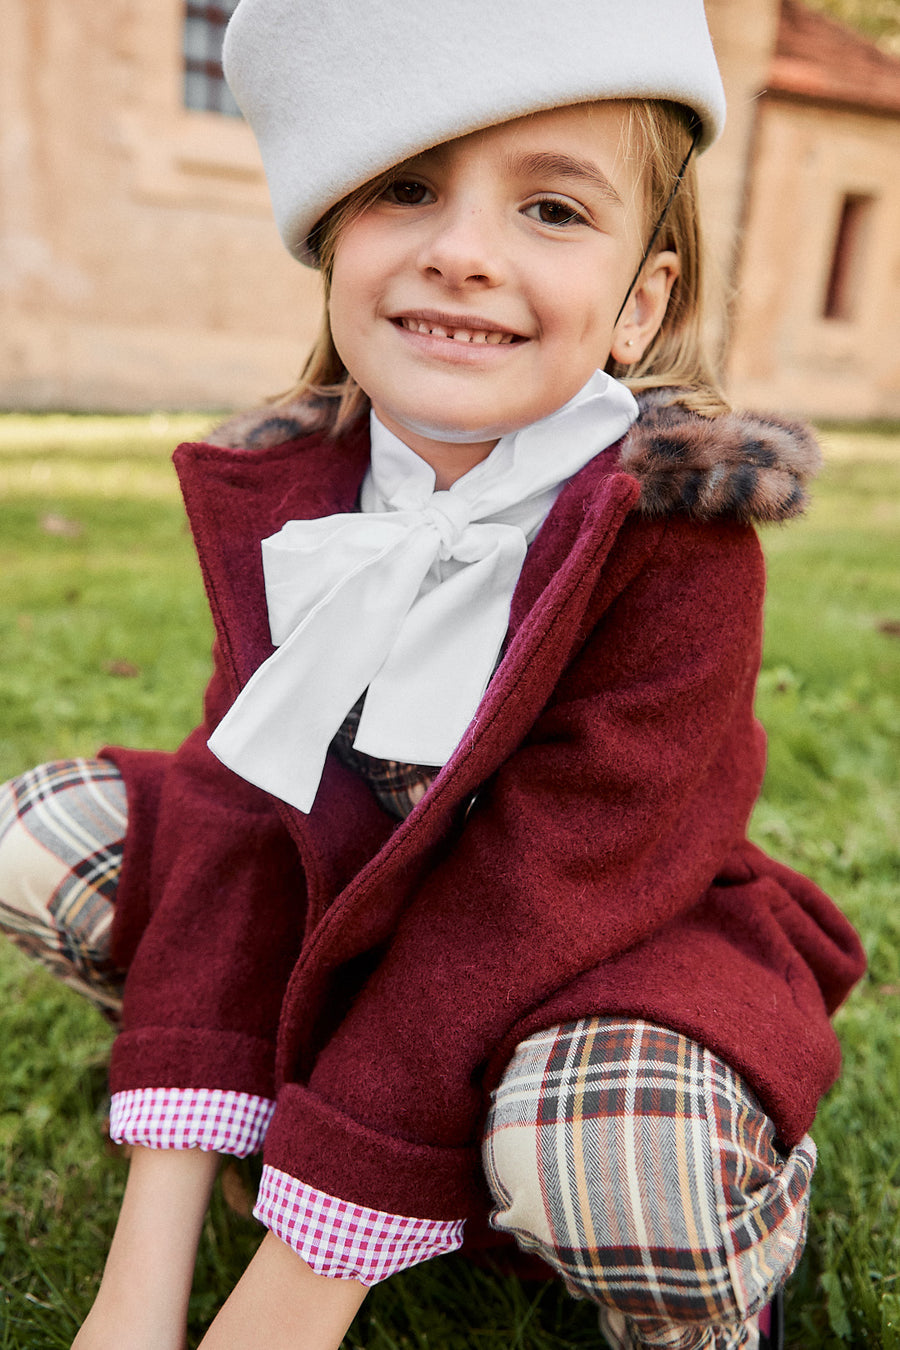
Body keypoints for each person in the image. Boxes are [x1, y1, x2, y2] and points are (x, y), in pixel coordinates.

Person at [0, 2, 867, 1348]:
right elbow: (246, 823)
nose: (463, 253)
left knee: (619, 1165)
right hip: (356, 907)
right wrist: (142, 1279)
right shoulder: (297, 491)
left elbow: (530, 896)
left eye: (554, 211)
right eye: (408, 186)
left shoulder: (676, 542)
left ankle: (695, 1230)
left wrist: (301, 1282)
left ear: (642, 305)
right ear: (334, 236)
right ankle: (267, 1101)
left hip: (593, 936)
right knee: (36, 835)